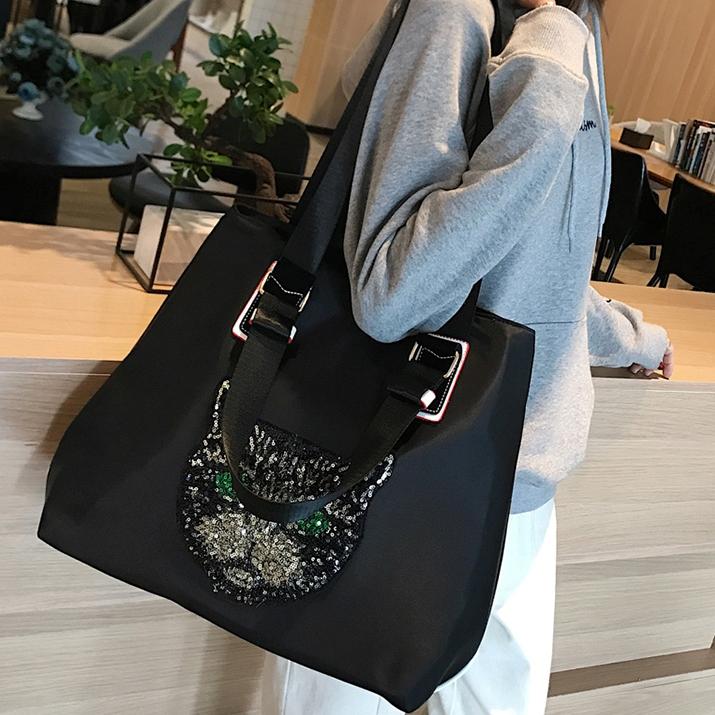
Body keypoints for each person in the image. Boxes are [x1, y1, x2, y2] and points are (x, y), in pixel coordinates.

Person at [262, 0, 675, 713]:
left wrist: (632, 336)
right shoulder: (457, 18)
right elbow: (392, 294)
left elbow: (537, 270)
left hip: (520, 477)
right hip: (389, 466)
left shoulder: (565, 25)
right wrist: (548, 70)